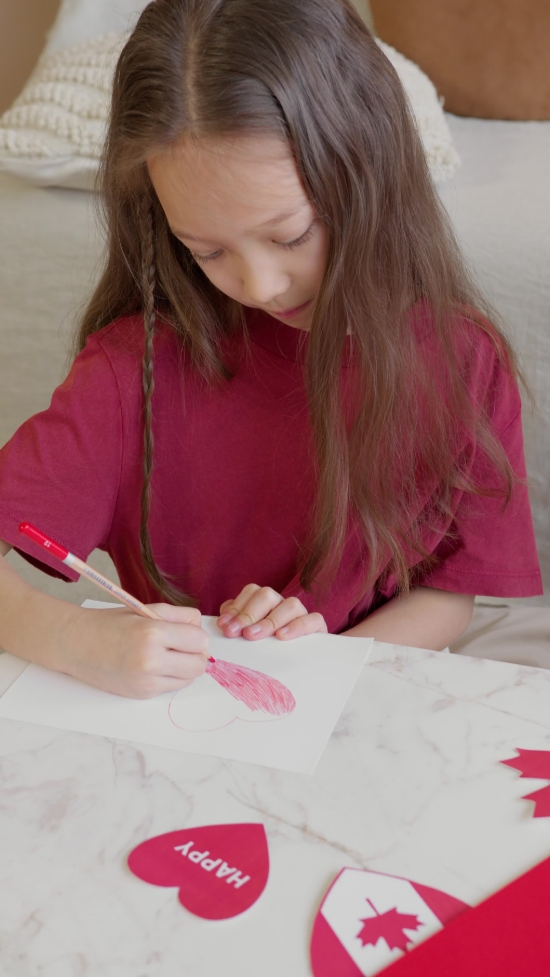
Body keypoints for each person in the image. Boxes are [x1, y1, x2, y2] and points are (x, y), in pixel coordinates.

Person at [0, 0, 542, 699]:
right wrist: (68, 637)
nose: (259, 285)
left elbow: (448, 593)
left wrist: (318, 661)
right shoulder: (134, 367)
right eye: (208, 251)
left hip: (363, 694)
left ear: (368, 170)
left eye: (290, 236)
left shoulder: (462, 358)